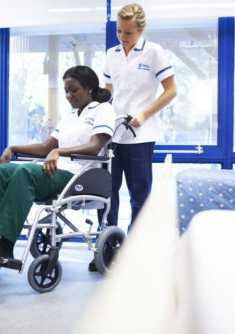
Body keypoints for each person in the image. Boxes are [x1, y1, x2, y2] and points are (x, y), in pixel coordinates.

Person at [0, 65, 115, 263]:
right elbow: (46, 147)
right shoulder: (70, 116)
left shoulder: (104, 109)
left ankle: (4, 245)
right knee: (4, 171)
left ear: (90, 89)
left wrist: (58, 151)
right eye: (66, 91)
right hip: (56, 171)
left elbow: (95, 146)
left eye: (73, 89)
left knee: (25, 172)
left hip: (80, 175)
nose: (68, 95)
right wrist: (13, 148)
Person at [99, 3, 177, 233]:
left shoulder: (153, 51)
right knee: (107, 193)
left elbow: (171, 91)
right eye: (119, 31)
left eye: (129, 32)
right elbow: (109, 92)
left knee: (139, 195)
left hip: (140, 136)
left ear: (141, 30)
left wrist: (144, 113)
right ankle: (107, 247)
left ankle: (135, 251)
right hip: (113, 134)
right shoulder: (111, 54)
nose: (122, 37)